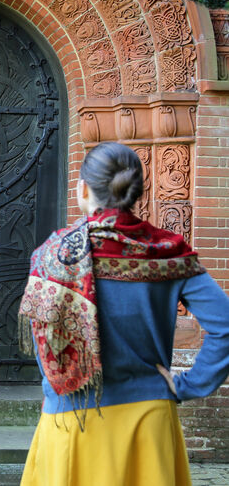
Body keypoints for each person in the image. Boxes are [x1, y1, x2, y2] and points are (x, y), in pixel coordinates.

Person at [18, 141, 229, 486]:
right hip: (149, 419)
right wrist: (188, 385)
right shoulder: (168, 253)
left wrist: (57, 388)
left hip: (72, 419)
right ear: (136, 191)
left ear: (83, 188)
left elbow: (42, 341)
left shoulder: (52, 254)